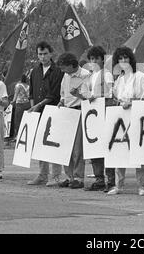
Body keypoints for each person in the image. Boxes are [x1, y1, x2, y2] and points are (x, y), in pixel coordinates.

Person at [108, 46, 144, 196]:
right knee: (120, 150)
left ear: (131, 59)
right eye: (120, 59)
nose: (123, 61)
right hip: (121, 117)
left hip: (136, 115)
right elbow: (116, 98)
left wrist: (131, 102)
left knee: (137, 151)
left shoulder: (140, 76)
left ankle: (142, 185)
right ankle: (118, 185)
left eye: (126, 58)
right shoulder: (118, 80)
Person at [26, 41, 64, 187]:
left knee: (53, 143)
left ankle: (55, 176)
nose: (42, 57)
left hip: (53, 110)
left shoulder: (58, 71)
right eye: (40, 54)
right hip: (37, 112)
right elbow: (31, 93)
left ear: (51, 53)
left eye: (45, 54)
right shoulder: (34, 71)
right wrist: (32, 109)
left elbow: (54, 94)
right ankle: (42, 174)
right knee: (39, 145)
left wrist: (38, 106)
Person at [83, 45, 116, 192]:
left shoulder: (106, 74)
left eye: (96, 58)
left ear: (102, 60)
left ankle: (110, 179)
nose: (93, 61)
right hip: (93, 113)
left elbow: (111, 93)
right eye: (91, 59)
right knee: (95, 146)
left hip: (104, 110)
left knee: (106, 147)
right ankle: (99, 178)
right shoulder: (90, 76)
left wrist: (97, 96)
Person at [57, 52, 90, 189]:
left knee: (77, 148)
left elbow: (88, 96)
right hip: (66, 111)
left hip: (79, 110)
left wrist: (78, 95)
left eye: (64, 67)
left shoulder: (86, 75)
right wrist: (61, 101)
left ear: (71, 65)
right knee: (66, 147)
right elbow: (63, 93)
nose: (62, 70)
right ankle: (69, 176)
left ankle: (78, 177)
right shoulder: (66, 75)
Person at [10, 74, 31, 138]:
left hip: (19, 104)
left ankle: (18, 135)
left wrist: (12, 101)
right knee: (25, 120)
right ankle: (25, 135)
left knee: (18, 120)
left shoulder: (18, 86)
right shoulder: (28, 86)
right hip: (28, 104)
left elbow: (15, 95)